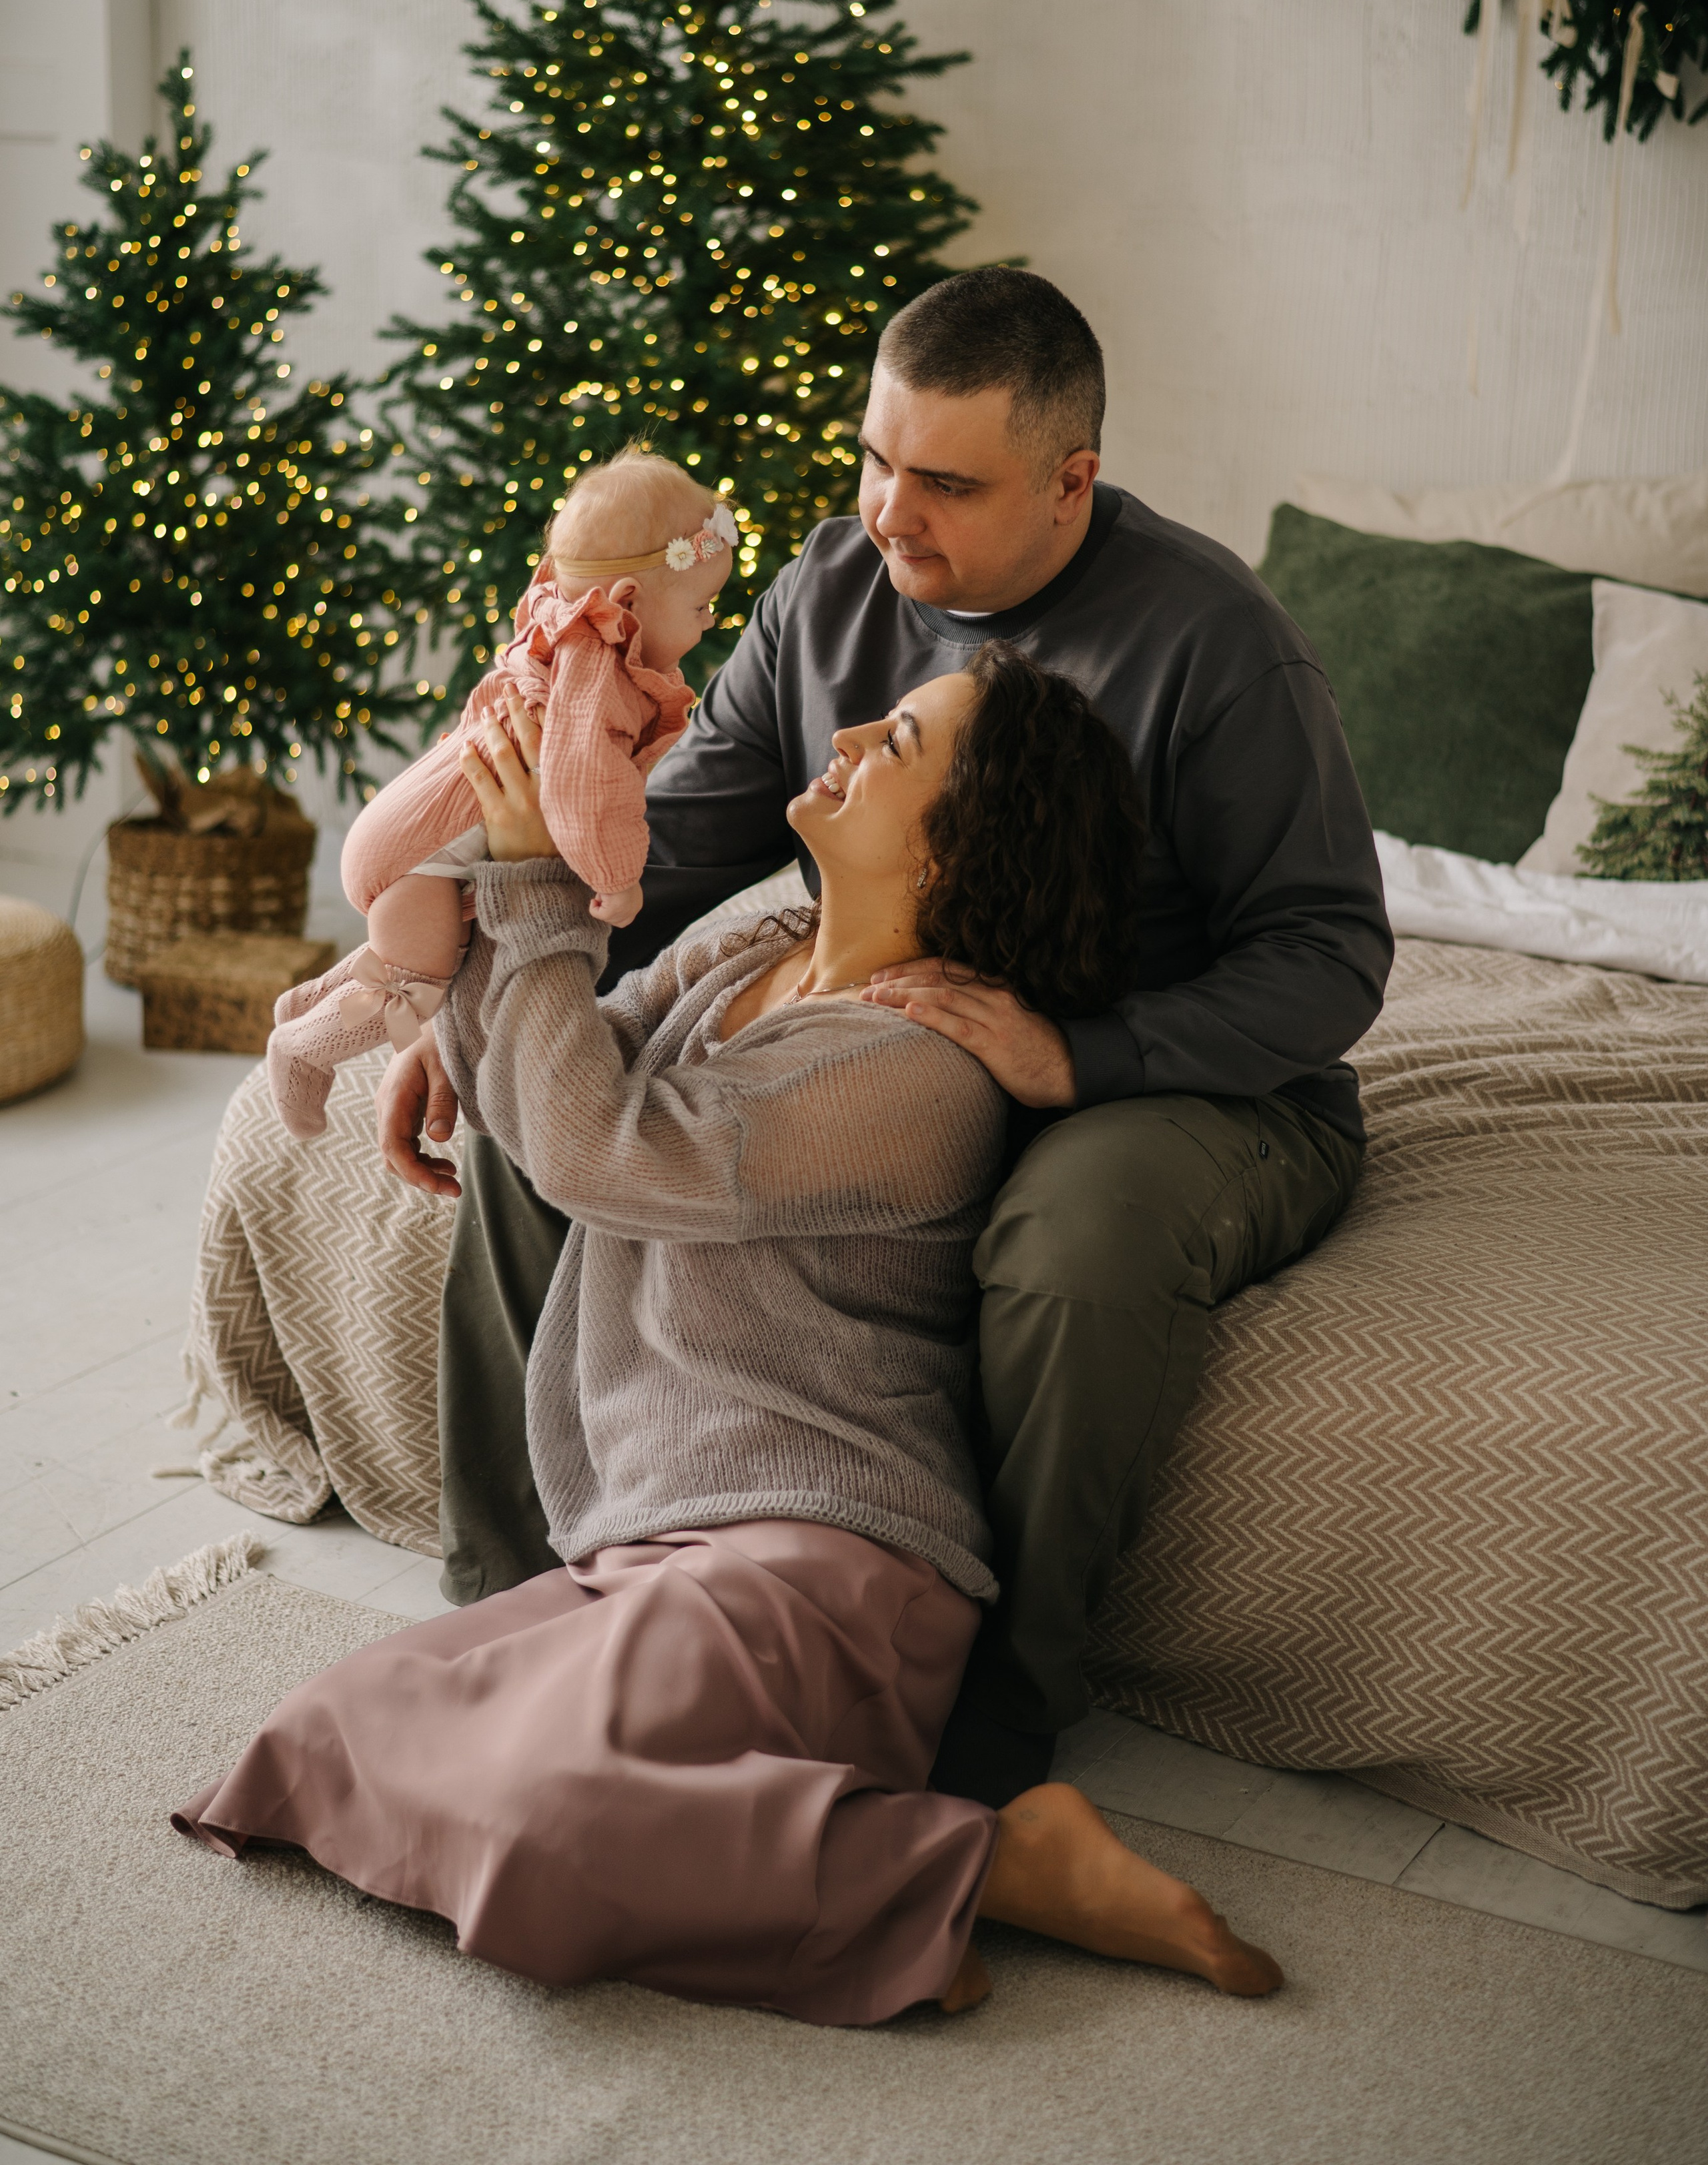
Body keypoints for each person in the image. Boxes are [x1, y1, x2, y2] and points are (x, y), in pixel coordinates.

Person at [381, 267, 1394, 1805]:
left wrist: (1083, 1058)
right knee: (545, 1113)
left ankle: (993, 1737)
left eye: (943, 482)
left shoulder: (1215, 646)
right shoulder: (827, 593)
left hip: (1178, 1065)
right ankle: (511, 1588)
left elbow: (1328, 955)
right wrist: (450, 1002)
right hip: (896, 1023)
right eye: (872, 457)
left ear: (1071, 480)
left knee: (1074, 1225)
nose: (886, 511)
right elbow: (656, 853)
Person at [175, 647, 1283, 2026]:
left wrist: (533, 885)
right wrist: (442, 992)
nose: (857, 726)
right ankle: (856, 1852)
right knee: (318, 1740)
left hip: (815, 1564)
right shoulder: (746, 953)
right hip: (650, 1542)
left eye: (905, 744)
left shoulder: (912, 1071)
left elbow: (596, 1146)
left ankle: (984, 1859)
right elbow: (548, 1060)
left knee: (531, 1825)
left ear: (957, 847)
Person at [267, 447, 735, 1136]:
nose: (710, 622)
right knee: (421, 979)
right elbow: (583, 784)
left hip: (408, 826)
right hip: (417, 852)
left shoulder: (559, 628)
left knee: (408, 957)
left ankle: (308, 1003)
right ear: (629, 602)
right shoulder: (592, 672)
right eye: (702, 604)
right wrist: (617, 877)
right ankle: (302, 1049)